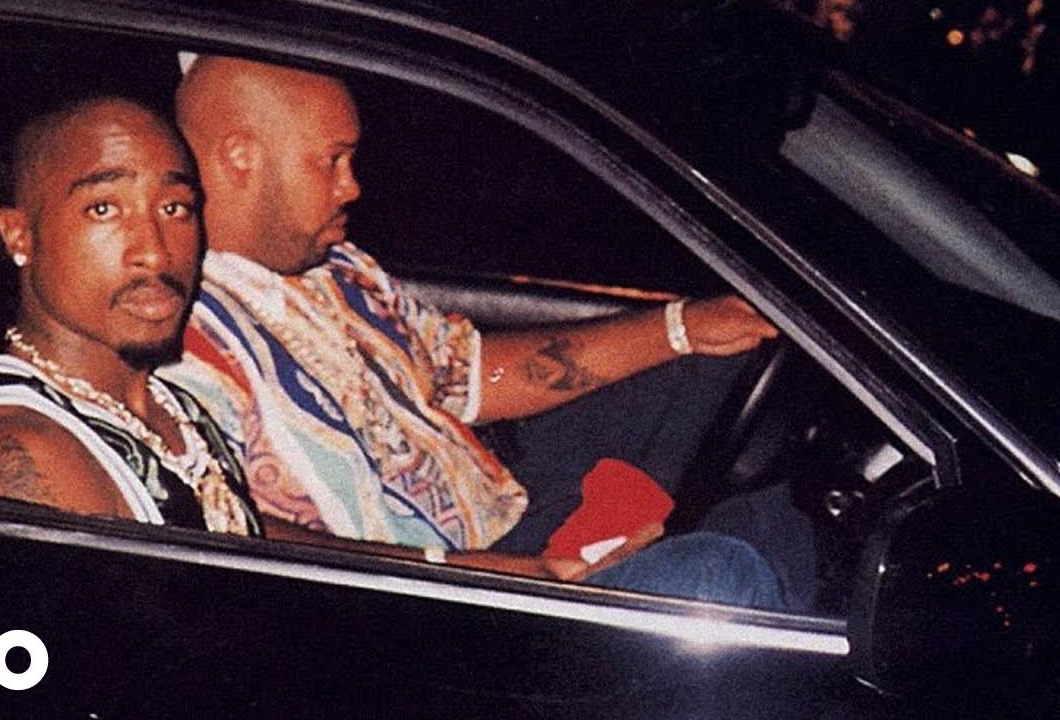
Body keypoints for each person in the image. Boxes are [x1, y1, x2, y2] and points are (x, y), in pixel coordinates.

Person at [161, 56, 786, 607]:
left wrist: (681, 328)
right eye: (333, 161)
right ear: (241, 157)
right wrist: (493, 572)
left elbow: (469, 373)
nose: (351, 185)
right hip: (422, 595)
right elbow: (228, 525)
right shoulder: (175, 331)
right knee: (721, 575)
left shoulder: (336, 268)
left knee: (724, 372)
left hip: (501, 509)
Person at [0, 96, 261, 537]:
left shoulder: (176, 411)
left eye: (174, 208)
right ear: (19, 235)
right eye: (104, 209)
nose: (155, 253)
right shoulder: (29, 445)